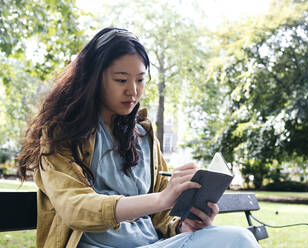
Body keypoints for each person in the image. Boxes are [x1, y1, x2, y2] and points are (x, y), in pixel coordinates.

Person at [18, 27, 260, 248]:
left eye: (140, 79)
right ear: (94, 78)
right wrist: (161, 199)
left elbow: (163, 216)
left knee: (238, 238)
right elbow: (75, 208)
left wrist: (181, 225)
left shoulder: (142, 134)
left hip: (152, 244)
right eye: (121, 80)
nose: (132, 90)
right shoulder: (61, 134)